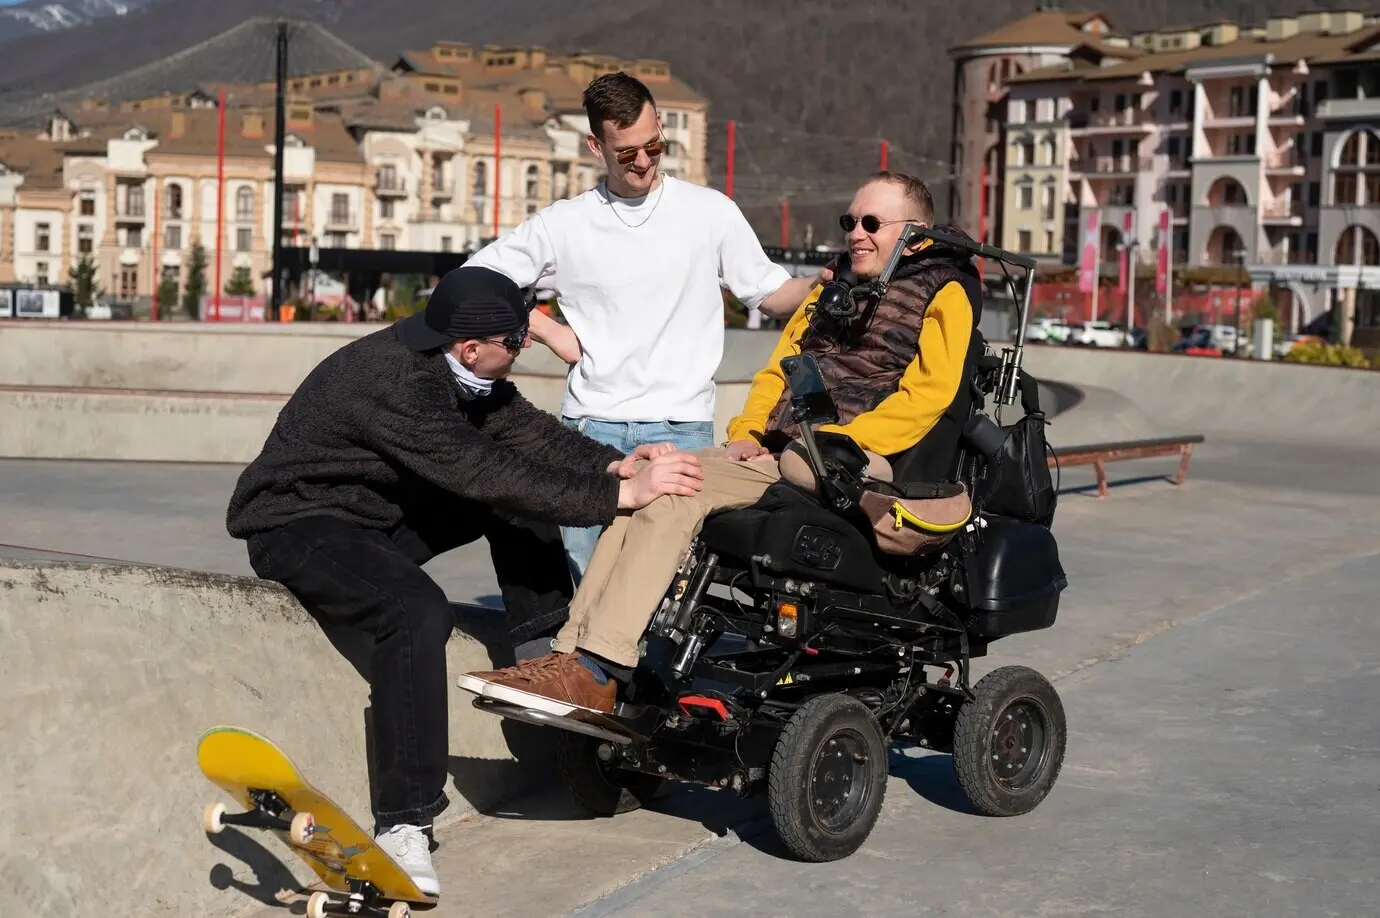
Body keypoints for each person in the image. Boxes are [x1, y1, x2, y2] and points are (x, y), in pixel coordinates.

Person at [224, 266, 704, 896]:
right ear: (471, 347)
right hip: (300, 523)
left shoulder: (462, 365)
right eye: (517, 341)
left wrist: (612, 461)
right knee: (416, 610)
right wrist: (619, 493)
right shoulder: (395, 382)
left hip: (379, 516)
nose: (524, 347)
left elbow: (523, 432)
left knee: (522, 501)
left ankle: (551, 659)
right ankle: (405, 823)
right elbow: (485, 471)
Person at [457, 171, 981, 715]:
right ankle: (573, 657)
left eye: (872, 223)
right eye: (850, 222)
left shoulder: (945, 288)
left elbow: (929, 397)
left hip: (853, 459)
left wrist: (835, 442)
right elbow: (782, 368)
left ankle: (600, 667)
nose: (856, 234)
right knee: (648, 486)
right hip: (784, 452)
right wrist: (748, 434)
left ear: (915, 232)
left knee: (677, 497)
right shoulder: (837, 283)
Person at [462, 69, 831, 583]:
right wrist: (545, 329)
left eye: (653, 146)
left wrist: (821, 282)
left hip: (680, 428)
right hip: (591, 431)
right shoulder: (564, 223)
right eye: (626, 152)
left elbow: (769, 294)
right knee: (587, 587)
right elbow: (471, 282)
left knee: (664, 598)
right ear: (596, 145)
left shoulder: (709, 213)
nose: (643, 161)